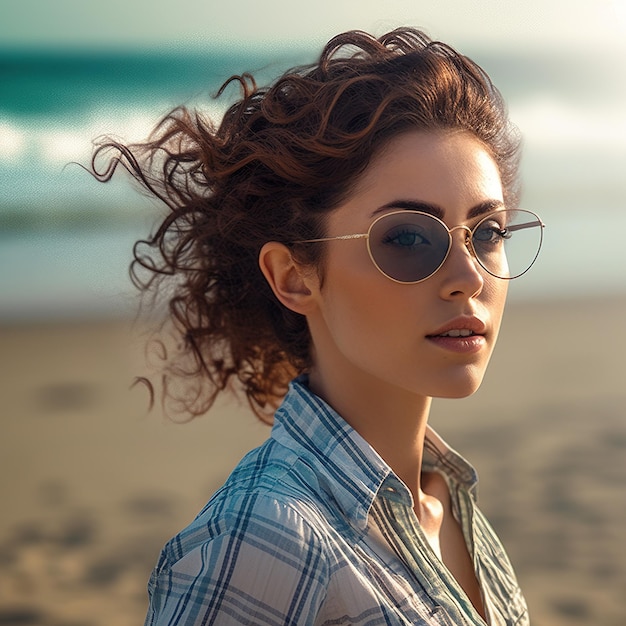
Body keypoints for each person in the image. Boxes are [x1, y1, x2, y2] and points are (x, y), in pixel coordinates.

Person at [92, 26, 544, 626]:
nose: (467, 275)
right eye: (408, 238)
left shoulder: (448, 506)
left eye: (486, 233)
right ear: (294, 276)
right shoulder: (261, 538)